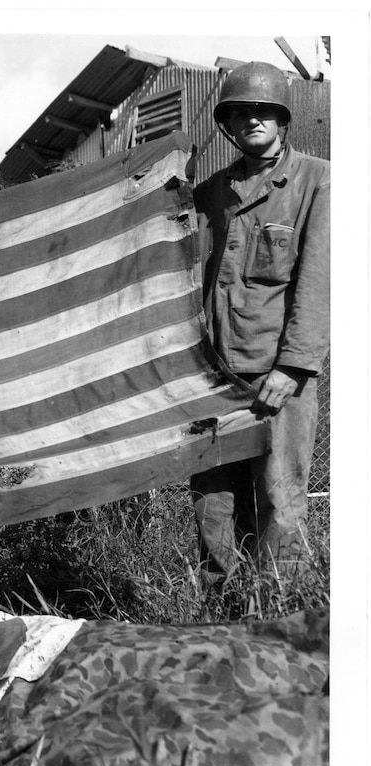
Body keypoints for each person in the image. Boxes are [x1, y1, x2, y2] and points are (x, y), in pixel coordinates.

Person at [190, 62, 330, 588]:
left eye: (262, 111)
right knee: (214, 513)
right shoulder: (209, 193)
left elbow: (320, 282)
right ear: (227, 123)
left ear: (282, 118)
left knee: (280, 506)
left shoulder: (318, 179)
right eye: (240, 113)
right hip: (213, 380)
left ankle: (280, 621)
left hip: (277, 379)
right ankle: (218, 629)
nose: (252, 120)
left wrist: (293, 366)